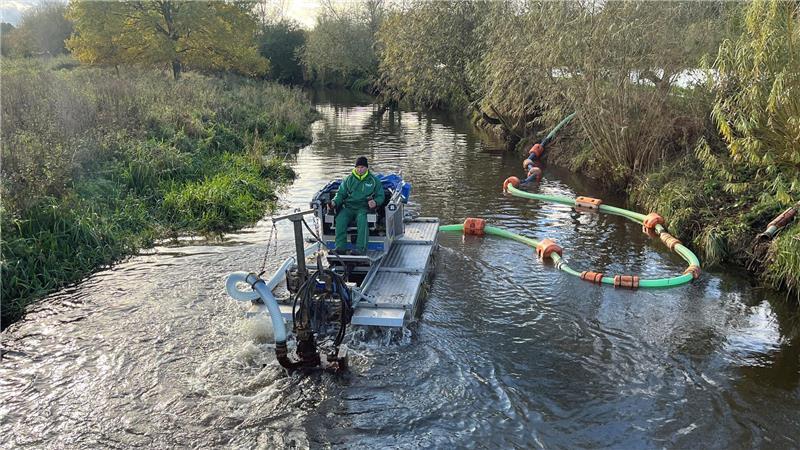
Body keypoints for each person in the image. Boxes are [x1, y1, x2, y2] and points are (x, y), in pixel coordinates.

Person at [328, 156, 385, 255]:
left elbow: (381, 196)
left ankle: (360, 249)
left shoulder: (374, 181)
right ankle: (340, 248)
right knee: (340, 219)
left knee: (362, 220)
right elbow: (340, 194)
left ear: (367, 168)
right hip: (348, 207)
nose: (359, 169)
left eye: (362, 167)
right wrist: (334, 202)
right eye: (357, 167)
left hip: (363, 208)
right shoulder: (348, 180)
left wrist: (375, 202)